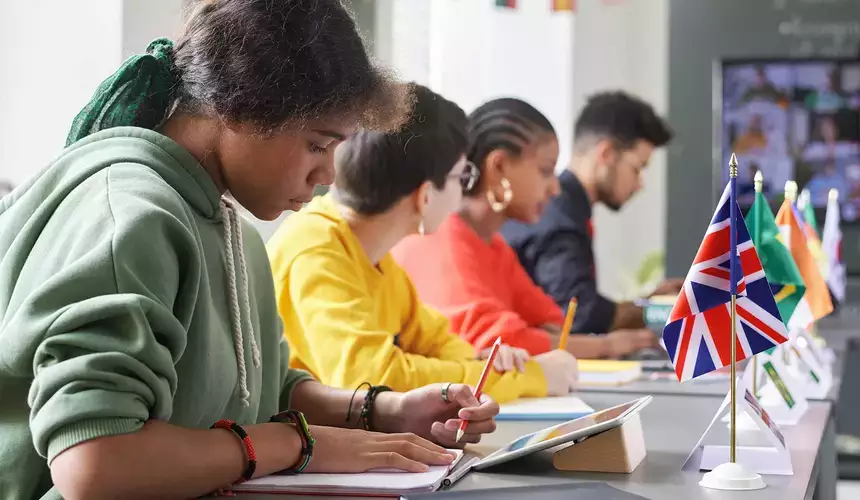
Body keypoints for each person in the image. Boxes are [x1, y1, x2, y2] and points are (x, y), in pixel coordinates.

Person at [0, 3, 500, 499]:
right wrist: (296, 444)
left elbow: (258, 394)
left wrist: (386, 411)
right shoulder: (133, 218)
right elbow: (96, 464)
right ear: (240, 105)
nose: (327, 175)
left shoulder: (230, 229)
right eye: (317, 145)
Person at [268, 86, 578, 405]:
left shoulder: (371, 252)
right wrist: (526, 377)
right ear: (426, 196)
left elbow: (435, 341)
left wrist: (488, 363)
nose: (464, 192)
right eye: (462, 177)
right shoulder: (316, 251)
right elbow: (372, 378)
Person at [393, 98, 608, 360]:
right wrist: (609, 346)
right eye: (545, 171)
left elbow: (552, 321)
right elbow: (498, 342)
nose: (555, 188)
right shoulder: (437, 237)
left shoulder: (494, 245)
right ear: (498, 167)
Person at [500, 91, 675, 357]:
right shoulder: (558, 219)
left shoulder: (567, 211)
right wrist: (656, 311)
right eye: (637, 168)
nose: (640, 184)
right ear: (606, 153)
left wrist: (648, 304)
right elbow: (577, 315)